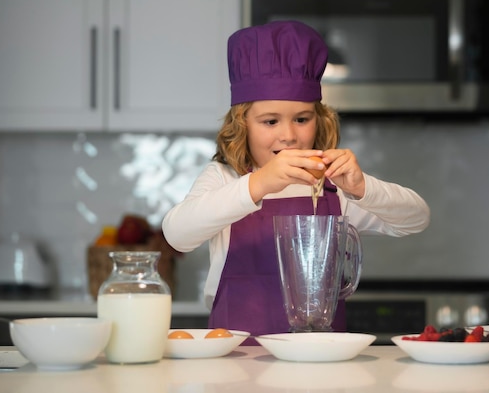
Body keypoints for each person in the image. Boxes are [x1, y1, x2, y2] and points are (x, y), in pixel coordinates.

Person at [162, 20, 430, 342]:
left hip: (317, 359)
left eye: (302, 119)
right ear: (242, 123)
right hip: (236, 362)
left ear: (319, 119)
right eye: (270, 121)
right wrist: (259, 183)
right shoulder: (225, 177)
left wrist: (362, 188)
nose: (288, 135)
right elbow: (177, 235)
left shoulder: (333, 184)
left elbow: (416, 219)